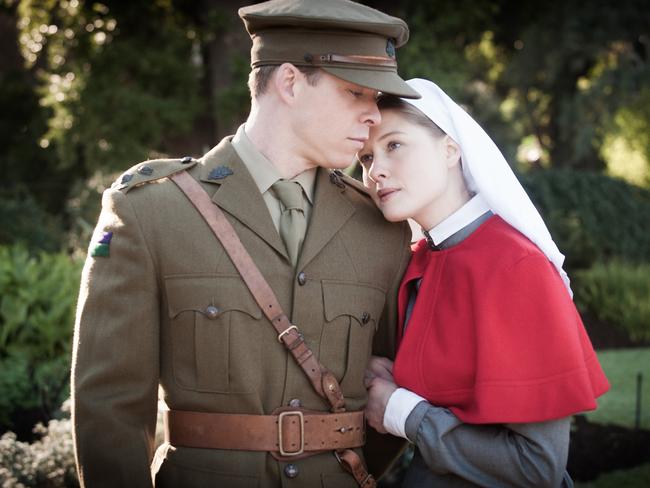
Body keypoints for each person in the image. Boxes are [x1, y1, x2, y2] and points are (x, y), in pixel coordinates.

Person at [71, 1, 418, 486]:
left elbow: (391, 390)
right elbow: (108, 412)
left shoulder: (381, 229)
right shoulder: (151, 211)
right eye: (356, 93)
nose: (374, 117)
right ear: (291, 83)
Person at [359, 78, 610, 487]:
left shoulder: (515, 266)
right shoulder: (424, 258)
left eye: (394, 145)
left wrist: (403, 412)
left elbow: (536, 467)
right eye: (366, 157)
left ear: (450, 150)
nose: (375, 171)